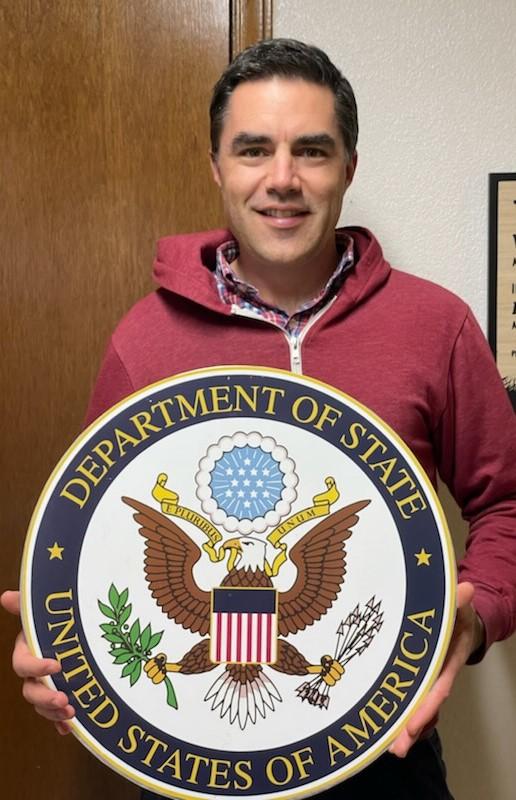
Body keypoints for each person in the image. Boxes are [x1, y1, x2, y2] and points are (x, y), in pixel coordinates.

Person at [2, 38, 516, 800]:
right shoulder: (143, 338)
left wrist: (476, 619)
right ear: (216, 166)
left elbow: (506, 503)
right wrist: (61, 648)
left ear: (349, 166)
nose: (282, 179)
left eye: (312, 150)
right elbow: (95, 534)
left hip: (386, 761)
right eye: (253, 150)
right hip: (190, 771)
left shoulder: (434, 325)